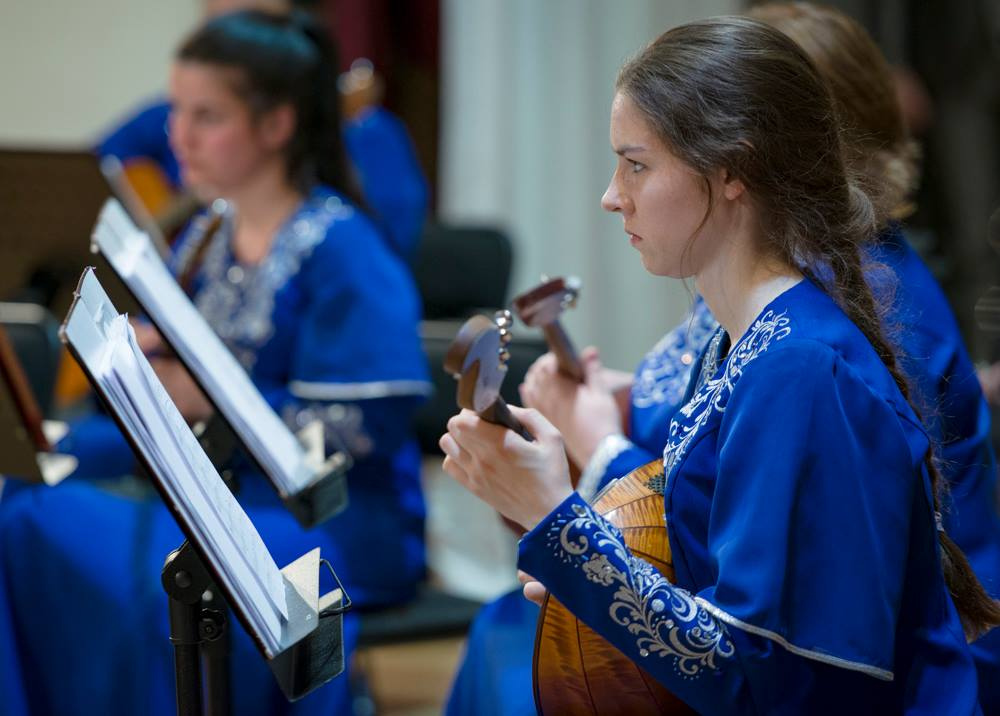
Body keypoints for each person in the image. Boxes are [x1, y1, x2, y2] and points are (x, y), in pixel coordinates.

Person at [447, 5, 1000, 712]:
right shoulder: (743, 335)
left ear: (732, 170)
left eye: (637, 165)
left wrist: (559, 521)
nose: (612, 198)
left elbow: (761, 678)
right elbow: (711, 581)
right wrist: (575, 542)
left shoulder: (802, 370)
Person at [0, 10, 430, 715]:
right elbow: (178, 387)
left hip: (331, 522)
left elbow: (357, 431)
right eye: (176, 110)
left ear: (276, 125)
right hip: (215, 491)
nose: (177, 135)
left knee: (149, 576)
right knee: (25, 497)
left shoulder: (348, 251)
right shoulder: (207, 232)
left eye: (207, 116)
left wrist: (204, 396)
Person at [98, 0, 429, 259]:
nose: (180, 137)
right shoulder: (217, 240)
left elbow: (392, 245)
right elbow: (92, 172)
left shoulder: (341, 249)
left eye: (208, 116)